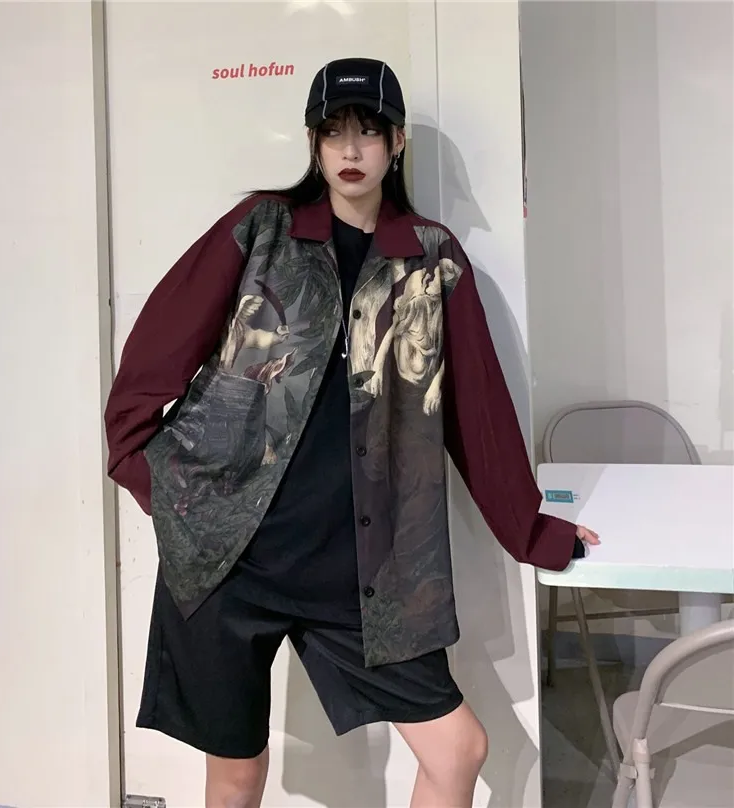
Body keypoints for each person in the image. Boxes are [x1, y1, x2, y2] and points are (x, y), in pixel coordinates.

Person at [104, 57, 599, 808]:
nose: (350, 149)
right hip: (228, 558)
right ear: (313, 143)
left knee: (458, 751)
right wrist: (154, 478)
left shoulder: (430, 259)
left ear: (396, 143)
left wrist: (532, 531)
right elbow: (159, 346)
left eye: (368, 131)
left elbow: (480, 415)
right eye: (333, 131)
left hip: (361, 570)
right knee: (236, 774)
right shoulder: (262, 229)